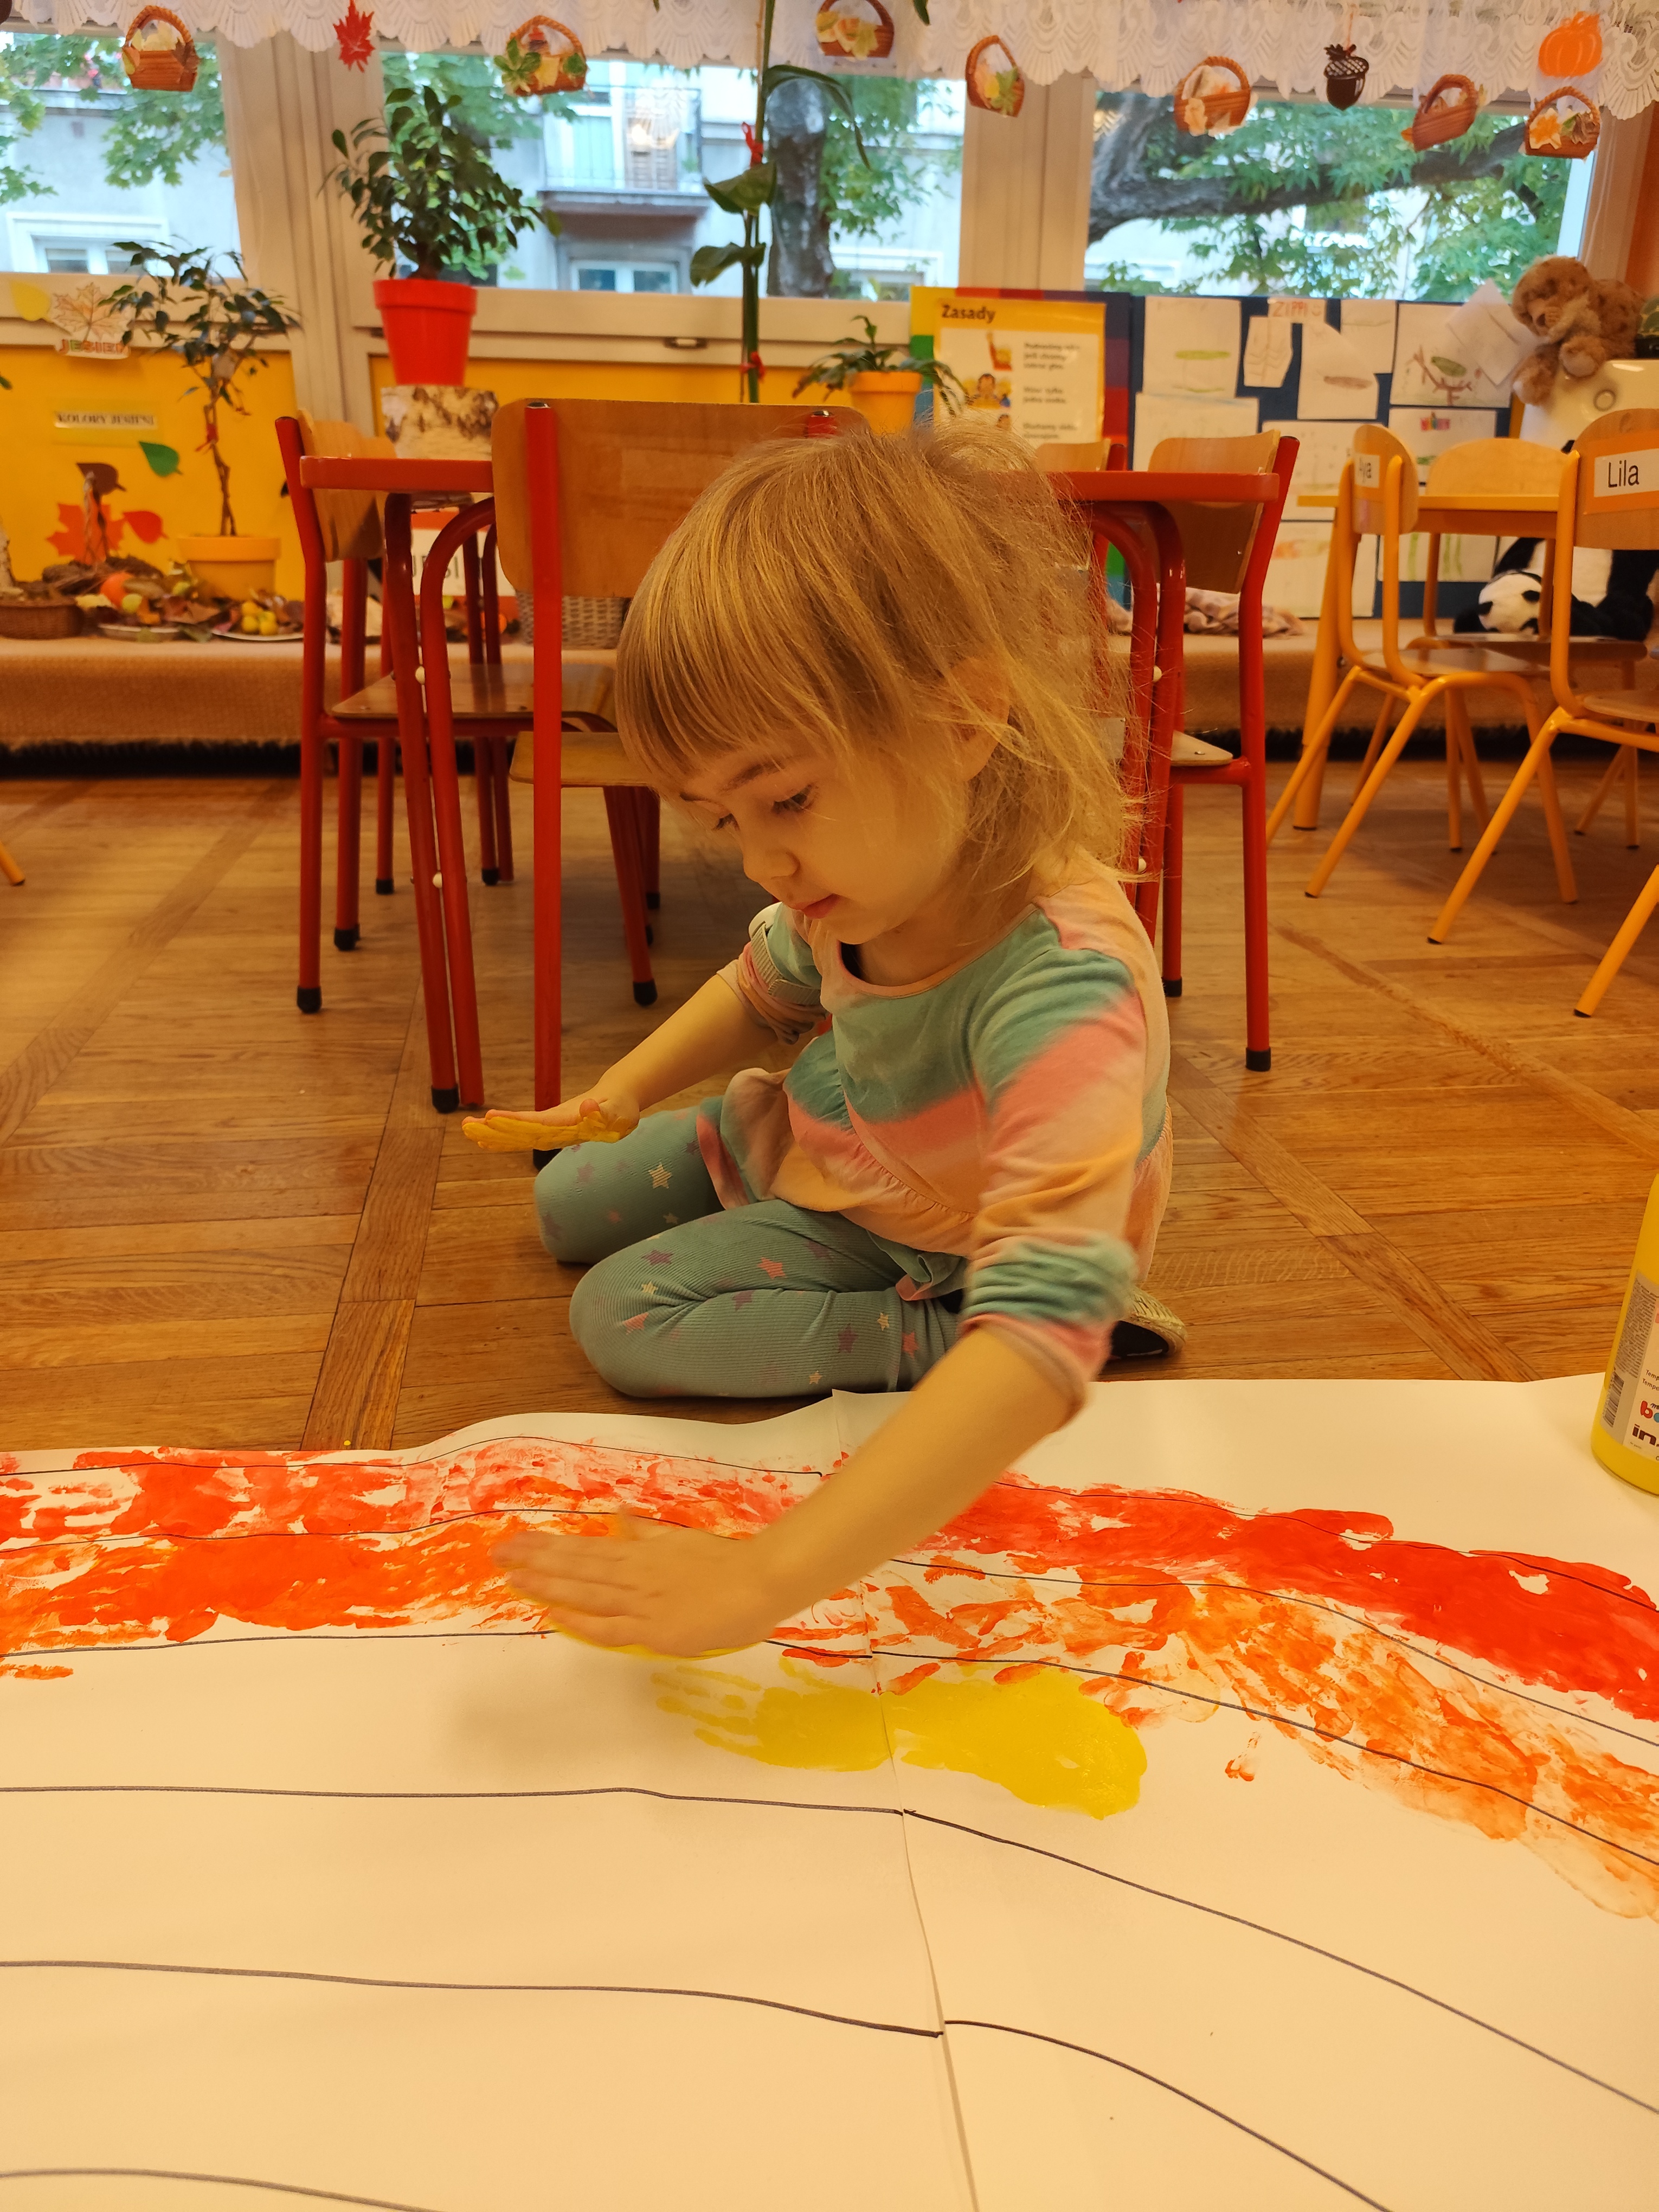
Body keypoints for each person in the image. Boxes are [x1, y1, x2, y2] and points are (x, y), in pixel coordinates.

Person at [491, 422, 1176, 1657]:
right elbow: (763, 984)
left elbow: (1041, 1331)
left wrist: (766, 1576)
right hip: (830, 1132)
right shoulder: (864, 873)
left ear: (964, 717)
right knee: (561, 1200)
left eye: (787, 799)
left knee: (622, 1317)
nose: (762, 860)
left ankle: (931, 1336)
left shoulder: (1063, 989)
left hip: (931, 1237)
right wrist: (619, 1093)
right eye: (722, 818)